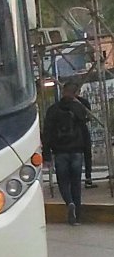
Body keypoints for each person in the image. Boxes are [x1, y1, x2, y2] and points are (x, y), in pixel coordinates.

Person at [42, 81, 89, 225]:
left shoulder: (53, 110)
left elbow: (47, 133)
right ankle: (77, 217)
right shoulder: (79, 108)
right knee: (76, 183)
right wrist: (77, 100)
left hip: (60, 152)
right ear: (76, 93)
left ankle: (69, 203)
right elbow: (87, 114)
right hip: (77, 151)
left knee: (63, 182)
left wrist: (47, 155)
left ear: (62, 92)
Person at [75, 93, 98, 188]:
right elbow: (89, 116)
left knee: (77, 156)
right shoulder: (83, 102)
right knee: (86, 155)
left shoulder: (64, 104)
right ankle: (88, 178)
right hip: (81, 131)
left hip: (74, 132)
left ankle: (78, 180)